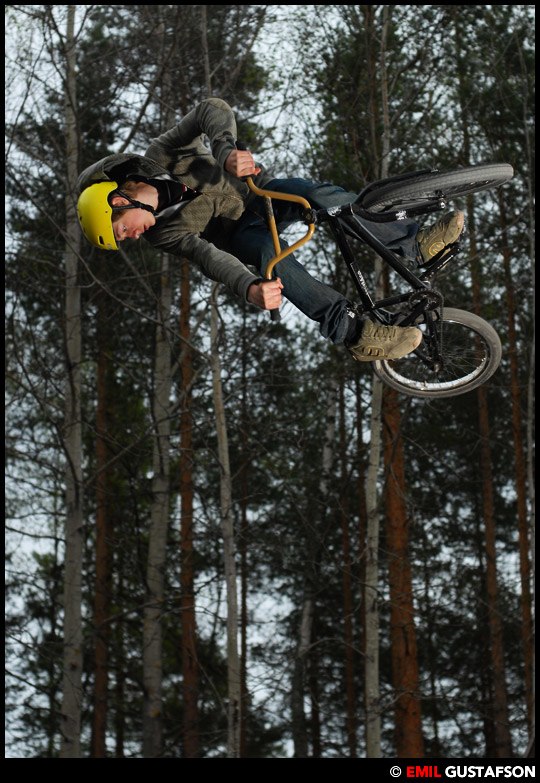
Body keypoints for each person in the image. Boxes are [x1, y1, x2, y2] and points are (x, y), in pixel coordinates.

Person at [77, 98, 464, 361]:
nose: (131, 238)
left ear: (120, 201)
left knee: (314, 194)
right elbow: (209, 258)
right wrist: (249, 287)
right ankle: (358, 334)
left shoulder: (164, 153)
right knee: (269, 255)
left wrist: (225, 151)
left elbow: (210, 109)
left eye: (121, 232)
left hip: (261, 195)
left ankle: (414, 245)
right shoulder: (163, 233)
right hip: (241, 233)